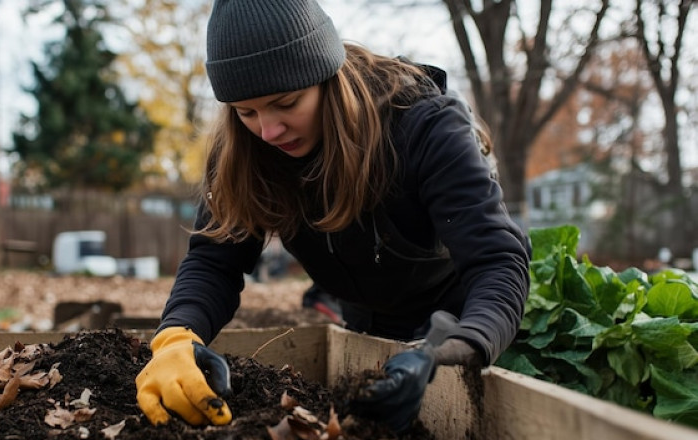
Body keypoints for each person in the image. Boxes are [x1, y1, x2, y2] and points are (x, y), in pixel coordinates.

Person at [135, 0, 531, 433]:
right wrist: (177, 334)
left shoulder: (423, 126)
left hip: (456, 325)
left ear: (325, 76)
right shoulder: (243, 150)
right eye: (246, 112)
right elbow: (215, 260)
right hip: (360, 324)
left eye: (285, 102)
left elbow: (497, 262)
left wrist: (448, 351)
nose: (268, 130)